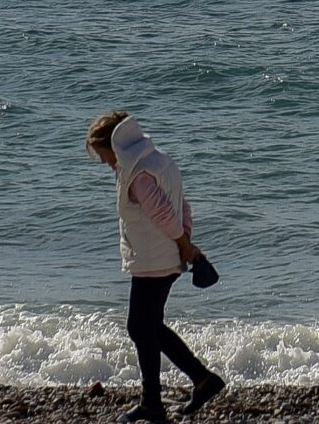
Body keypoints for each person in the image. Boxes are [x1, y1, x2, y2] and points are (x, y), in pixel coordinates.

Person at [88, 110, 227, 422]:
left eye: (104, 156)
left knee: (140, 327)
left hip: (153, 259)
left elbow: (164, 213)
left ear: (115, 146)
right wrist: (185, 239)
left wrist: (184, 245)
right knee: (149, 327)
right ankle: (201, 382)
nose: (105, 163)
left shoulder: (137, 174)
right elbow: (182, 206)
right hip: (164, 256)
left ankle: (156, 401)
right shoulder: (161, 161)